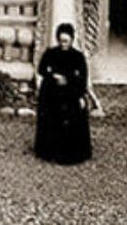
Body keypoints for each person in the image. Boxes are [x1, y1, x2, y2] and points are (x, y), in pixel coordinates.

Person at [34, 22, 92, 165]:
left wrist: (70, 82)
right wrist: (53, 76)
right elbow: (41, 69)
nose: (63, 44)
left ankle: (69, 153)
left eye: (66, 41)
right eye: (61, 41)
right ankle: (48, 151)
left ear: (72, 40)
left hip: (70, 92)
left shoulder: (78, 57)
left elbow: (82, 78)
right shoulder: (51, 53)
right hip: (53, 92)